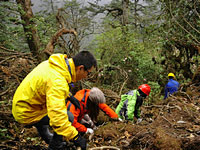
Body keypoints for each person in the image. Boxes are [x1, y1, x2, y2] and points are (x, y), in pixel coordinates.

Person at [12, 51, 97, 150]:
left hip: (25, 104)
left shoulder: (57, 65)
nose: (86, 76)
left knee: (52, 108)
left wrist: (69, 96)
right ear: (81, 68)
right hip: (26, 112)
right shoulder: (58, 81)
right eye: (88, 73)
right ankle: (55, 147)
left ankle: (49, 138)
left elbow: (48, 87)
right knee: (67, 116)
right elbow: (58, 118)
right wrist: (76, 137)